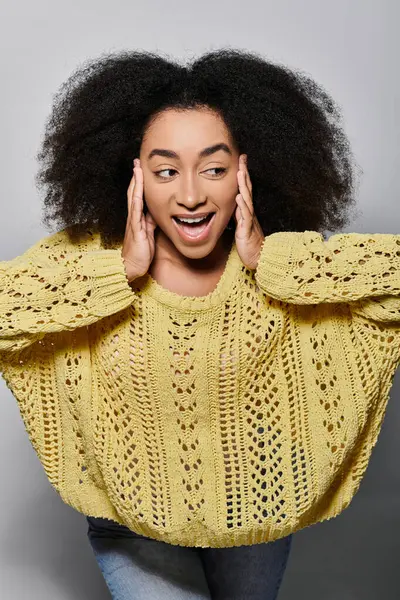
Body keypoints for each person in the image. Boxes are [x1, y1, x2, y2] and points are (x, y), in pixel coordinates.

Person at [0, 47, 399, 600]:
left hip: (254, 513)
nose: (190, 194)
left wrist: (275, 262)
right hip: (129, 521)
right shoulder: (90, 259)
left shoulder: (287, 267)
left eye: (214, 168)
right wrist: (117, 273)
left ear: (246, 169)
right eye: (166, 170)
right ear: (132, 171)